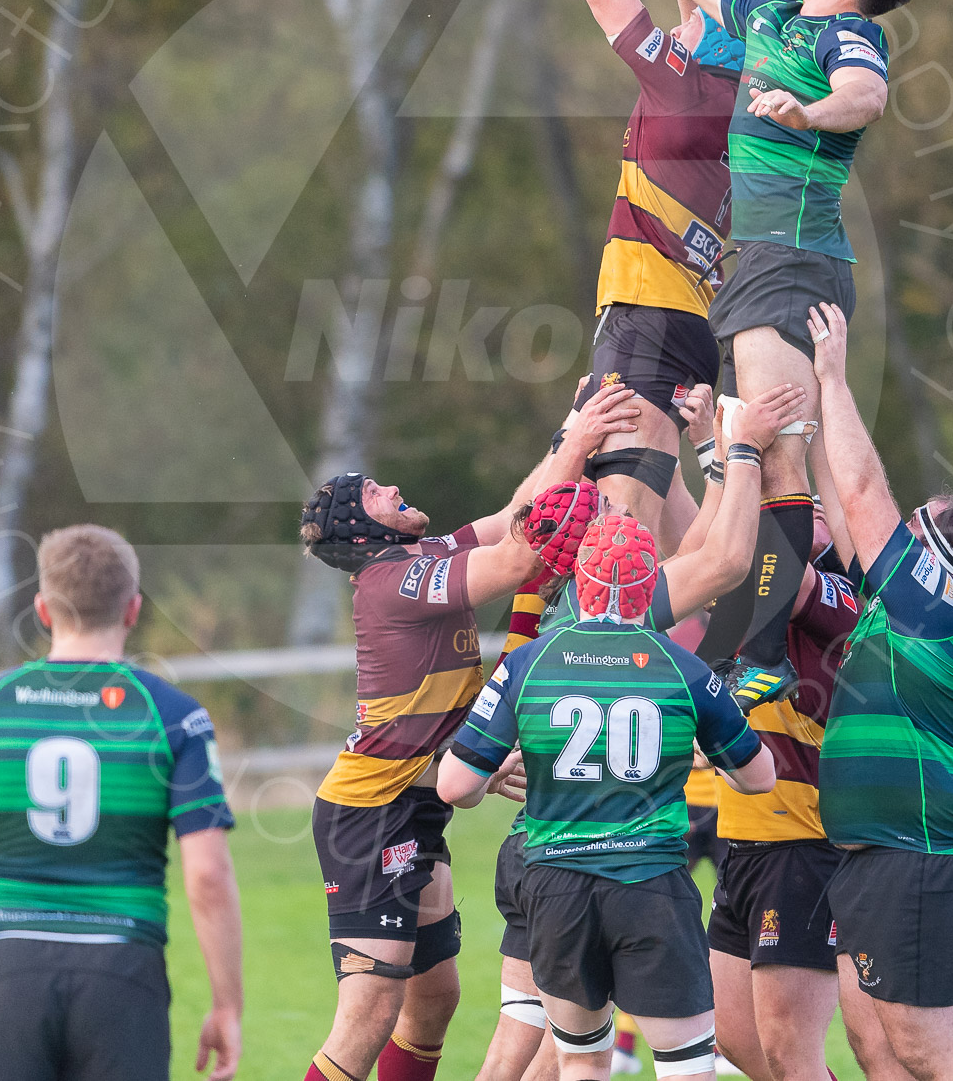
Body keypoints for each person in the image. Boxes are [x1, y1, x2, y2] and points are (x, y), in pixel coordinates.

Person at [568, 0, 933, 708]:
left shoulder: (845, 36)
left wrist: (810, 113)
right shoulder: (769, 14)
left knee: (774, 456)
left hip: (792, 264)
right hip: (758, 273)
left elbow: (866, 96)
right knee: (762, 455)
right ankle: (804, 638)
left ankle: (762, 655)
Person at [298, 382, 639, 1081]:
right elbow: (517, 559)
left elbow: (512, 517)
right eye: (373, 493)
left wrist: (573, 430)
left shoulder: (420, 558)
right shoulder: (392, 582)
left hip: (415, 800)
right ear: (363, 531)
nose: (391, 487)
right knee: (367, 1017)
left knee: (434, 1003)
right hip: (370, 814)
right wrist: (577, 470)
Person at [439, 509, 778, 1081]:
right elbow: (760, 776)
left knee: (582, 1061)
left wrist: (498, 778)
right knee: (687, 1066)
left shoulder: (529, 661)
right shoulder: (684, 668)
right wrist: (703, 750)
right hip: (650, 885)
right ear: (650, 586)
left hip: (557, 887)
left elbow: (455, 785)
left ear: (578, 584)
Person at [0, 524, 241, 1081]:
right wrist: (227, 1003)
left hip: (6, 970)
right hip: (122, 968)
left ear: (42, 609)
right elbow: (207, 875)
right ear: (133, 610)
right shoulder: (173, 716)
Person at [529, 0, 745, 558]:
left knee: (620, 534)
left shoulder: (680, 87)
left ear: (701, 48)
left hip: (647, 320)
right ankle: (716, 649)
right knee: (674, 542)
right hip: (690, 329)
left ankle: (620, 665)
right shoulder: (740, 112)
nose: (677, 24)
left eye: (689, 21)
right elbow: (703, 28)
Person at [808, 302, 953, 1081]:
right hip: (875, 860)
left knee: (923, 1048)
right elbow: (839, 489)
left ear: (931, 555)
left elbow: (858, 487)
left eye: (909, 526)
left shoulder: (933, 606)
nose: (892, 534)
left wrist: (834, 375)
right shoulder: (903, 610)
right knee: (875, 1049)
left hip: (921, 859)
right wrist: (804, 418)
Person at [706, 501, 862, 1081]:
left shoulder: (839, 596)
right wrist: (707, 445)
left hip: (803, 846)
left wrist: (767, 466)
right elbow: (702, 550)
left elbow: (781, 573)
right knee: (736, 1038)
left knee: (789, 1048)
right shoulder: (757, 591)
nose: (801, 512)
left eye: (811, 508)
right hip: (744, 842)